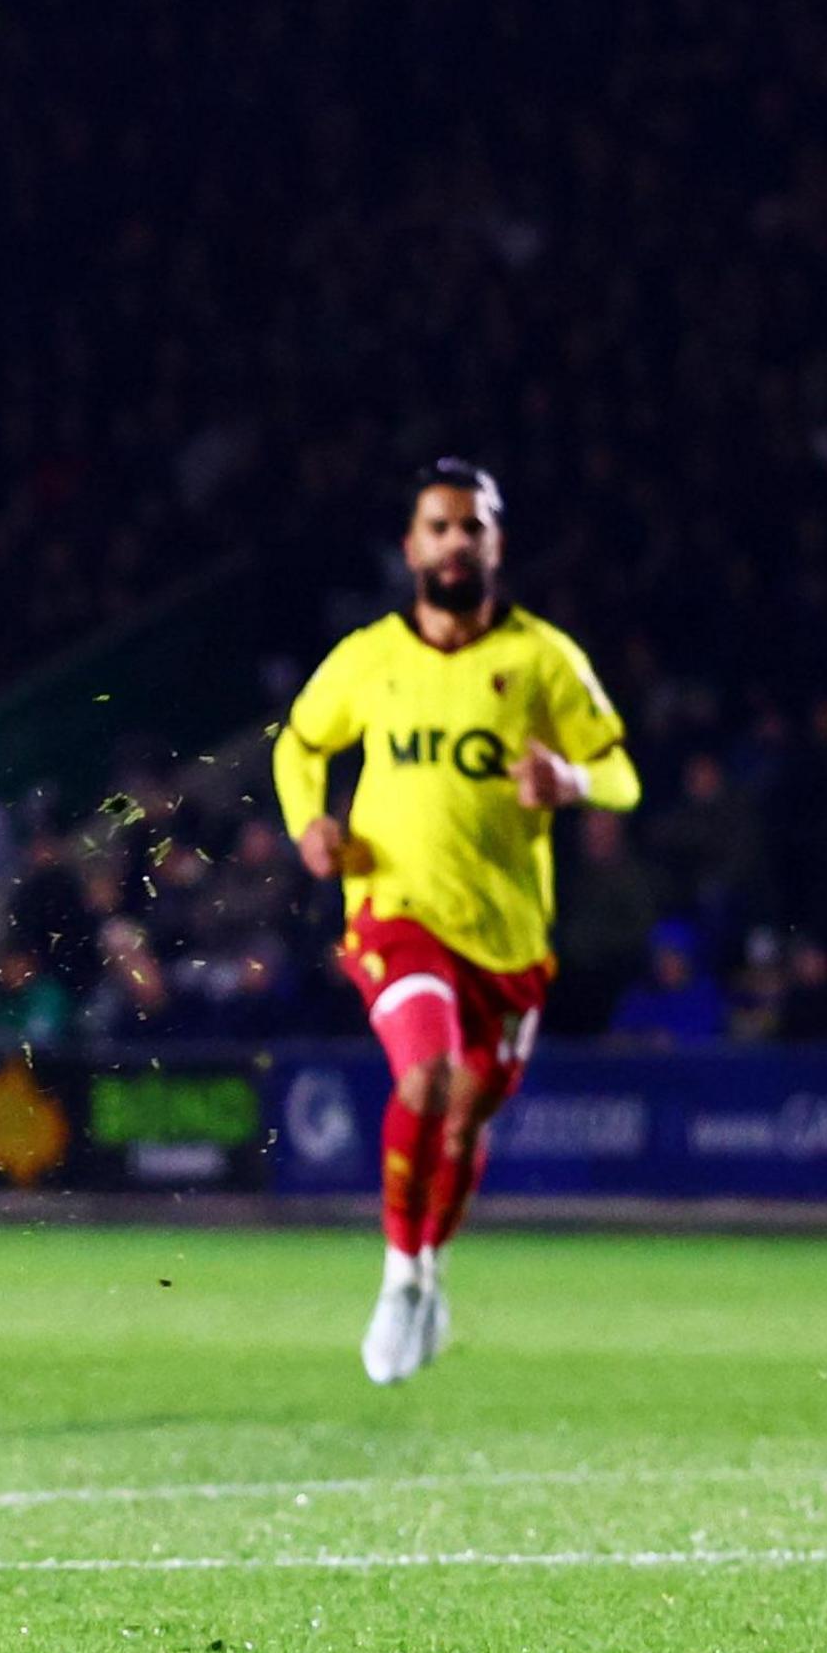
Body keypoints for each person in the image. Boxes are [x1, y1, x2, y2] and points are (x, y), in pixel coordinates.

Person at [273, 458, 637, 1383]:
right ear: (411, 546)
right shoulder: (369, 658)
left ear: (494, 544)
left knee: (469, 1115)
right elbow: (303, 743)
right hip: (394, 907)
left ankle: (429, 1265)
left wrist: (575, 782)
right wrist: (308, 826)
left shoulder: (543, 659)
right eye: (438, 527)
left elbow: (623, 771)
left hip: (509, 933)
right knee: (429, 1073)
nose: (454, 542)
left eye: (470, 527)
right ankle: (398, 1274)